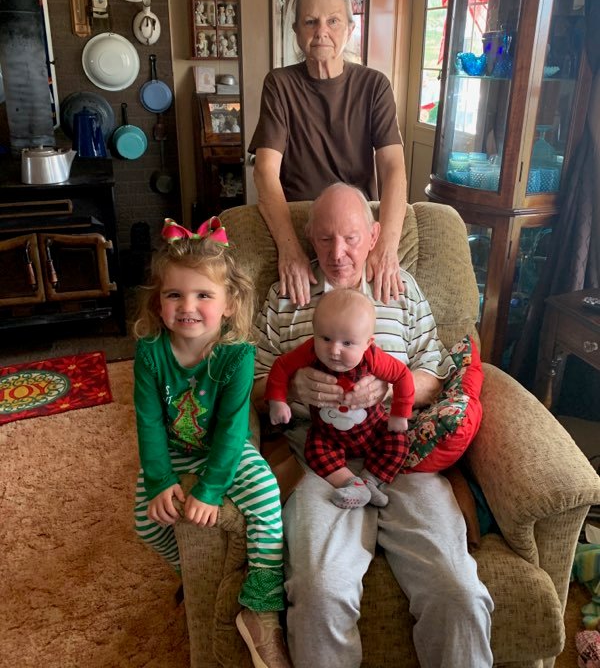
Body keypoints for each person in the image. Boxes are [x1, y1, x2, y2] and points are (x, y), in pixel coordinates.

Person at [252, 183, 494, 668]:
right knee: (320, 591)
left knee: (457, 590)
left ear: (374, 236)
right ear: (309, 237)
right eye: (324, 239)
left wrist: (390, 389)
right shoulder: (286, 295)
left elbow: (437, 377)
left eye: (350, 238)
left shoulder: (400, 288)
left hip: (402, 456)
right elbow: (253, 387)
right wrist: (291, 387)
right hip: (320, 460)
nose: (337, 253)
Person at [132, 216, 291, 668]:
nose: (188, 306)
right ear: (158, 301)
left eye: (203, 295)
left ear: (228, 303)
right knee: (145, 522)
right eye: (174, 295)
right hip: (173, 449)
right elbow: (148, 422)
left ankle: (261, 604)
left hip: (224, 450)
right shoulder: (150, 353)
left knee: (266, 493)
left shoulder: (237, 355)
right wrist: (160, 480)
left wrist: (209, 489)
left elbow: (233, 427)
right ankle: (188, 572)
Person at [249, 0, 407, 307]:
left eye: (333, 21)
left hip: (357, 229)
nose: (321, 31)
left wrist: (386, 247)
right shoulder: (279, 85)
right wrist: (290, 249)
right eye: (310, 22)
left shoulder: (375, 85)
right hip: (304, 223)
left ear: (350, 28)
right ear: (296, 31)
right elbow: (265, 171)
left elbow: (393, 168)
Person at [266, 287, 414, 508]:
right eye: (326, 338)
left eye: (347, 343)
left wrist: (399, 414)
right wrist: (278, 400)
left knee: (399, 440)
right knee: (314, 450)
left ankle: (371, 480)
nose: (334, 350)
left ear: (368, 343)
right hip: (327, 435)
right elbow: (281, 367)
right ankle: (352, 484)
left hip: (372, 429)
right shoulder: (309, 351)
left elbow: (402, 375)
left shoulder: (374, 357)